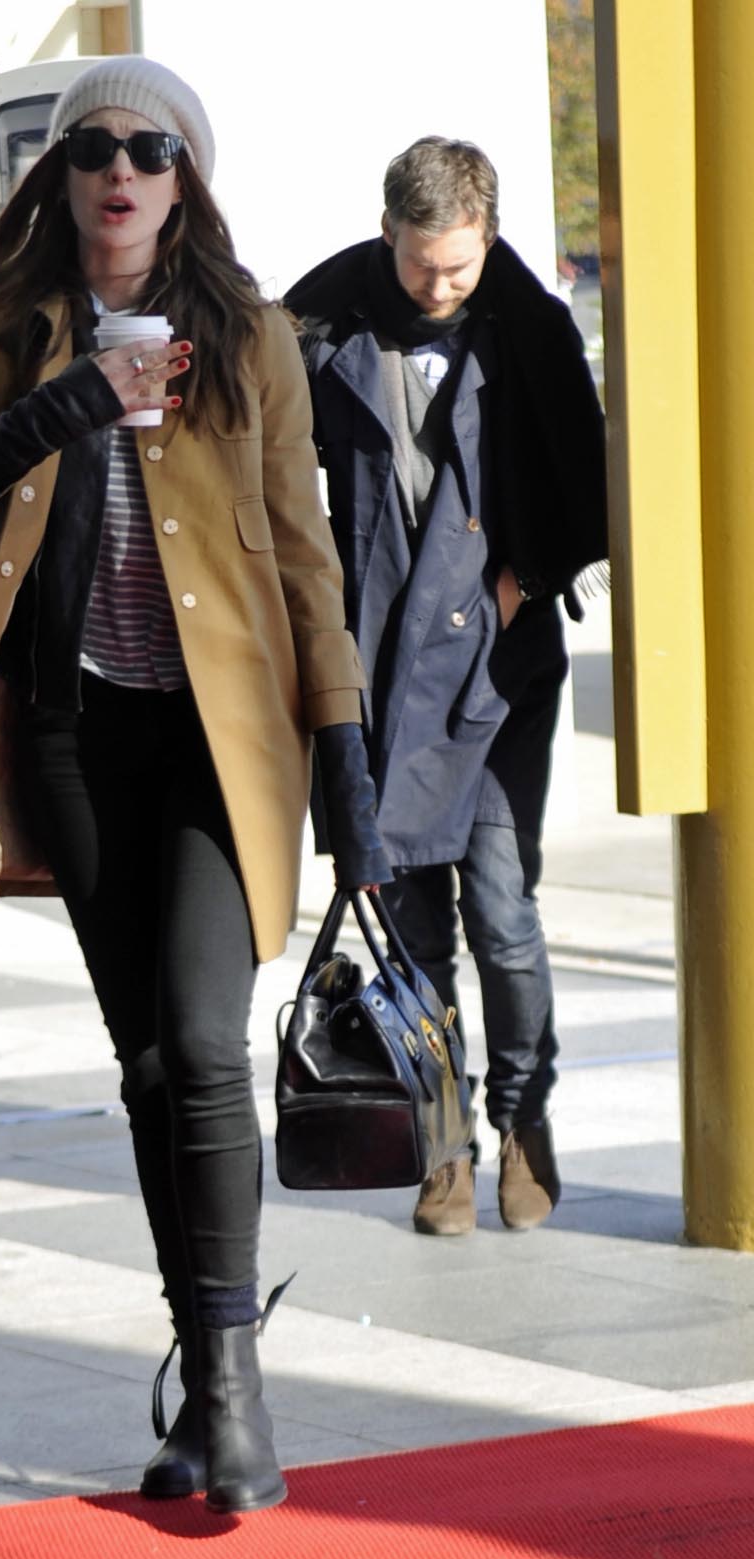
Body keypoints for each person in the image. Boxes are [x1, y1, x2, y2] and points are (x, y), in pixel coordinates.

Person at [0, 56, 390, 1513]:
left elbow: (306, 553)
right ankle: (206, 1361)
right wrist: (69, 402)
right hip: (73, 735)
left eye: (150, 150)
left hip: (222, 743)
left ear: (185, 181)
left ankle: (232, 1401)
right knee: (150, 1065)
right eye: (94, 146)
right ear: (60, 174)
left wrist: (348, 763)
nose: (119, 169)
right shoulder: (4, 325)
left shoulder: (250, 335)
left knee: (206, 1045)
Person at [286, 137, 607, 1238]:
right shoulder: (323, 320)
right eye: (421, 264)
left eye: (459, 267)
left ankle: (523, 1118)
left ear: (488, 238)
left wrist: (523, 583)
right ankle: (443, 1141)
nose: (438, 286)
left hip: (498, 665)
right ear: (389, 233)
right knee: (412, 928)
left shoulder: (528, 328)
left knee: (503, 915)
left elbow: (587, 481)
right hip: (377, 669)